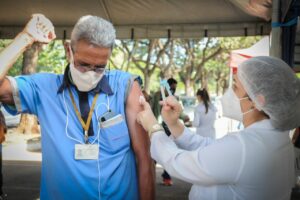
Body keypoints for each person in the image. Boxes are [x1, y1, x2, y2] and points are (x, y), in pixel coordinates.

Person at [0, 14, 154, 199]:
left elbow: (145, 158)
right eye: (83, 65)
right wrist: (25, 38)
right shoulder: (43, 89)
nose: (90, 73)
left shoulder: (125, 86)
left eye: (99, 67)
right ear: (68, 51)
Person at [137, 56, 300, 200]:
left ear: (258, 101)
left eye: (235, 87)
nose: (229, 93)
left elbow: (179, 162)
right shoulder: (278, 139)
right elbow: (210, 149)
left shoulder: (245, 148)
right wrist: (174, 124)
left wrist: (153, 127)